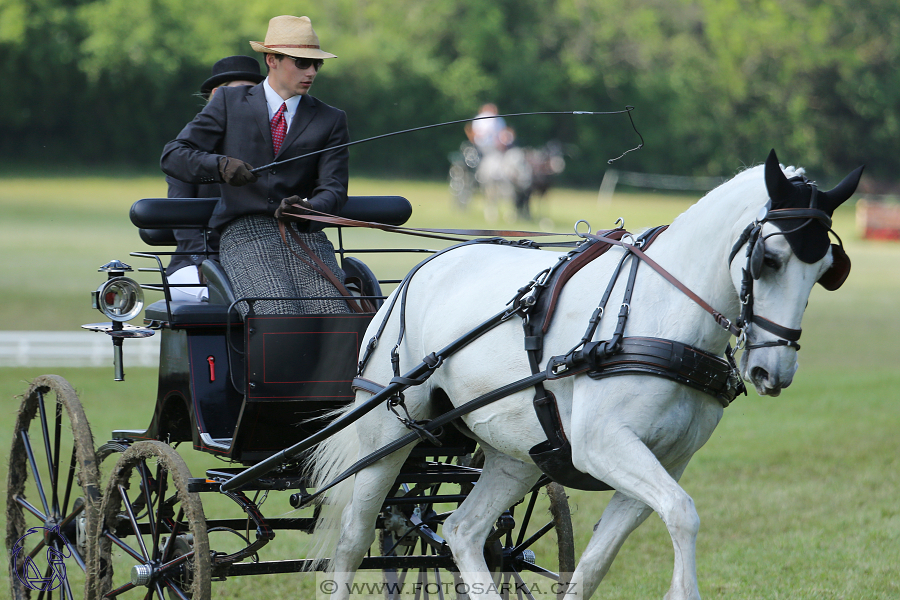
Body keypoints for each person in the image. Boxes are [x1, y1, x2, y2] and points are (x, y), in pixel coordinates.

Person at [160, 15, 351, 315]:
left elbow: (335, 190)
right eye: (302, 62)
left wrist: (307, 208)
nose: (312, 71)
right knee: (276, 311)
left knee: (336, 313)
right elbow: (173, 155)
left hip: (305, 234)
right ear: (272, 59)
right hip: (243, 232)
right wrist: (220, 165)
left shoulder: (330, 119)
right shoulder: (227, 101)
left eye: (317, 64)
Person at [165, 55, 264, 303]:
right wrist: (203, 262)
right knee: (212, 297)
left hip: (257, 256)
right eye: (240, 92)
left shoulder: (270, 144)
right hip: (196, 259)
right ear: (217, 95)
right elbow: (182, 219)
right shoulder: (186, 153)